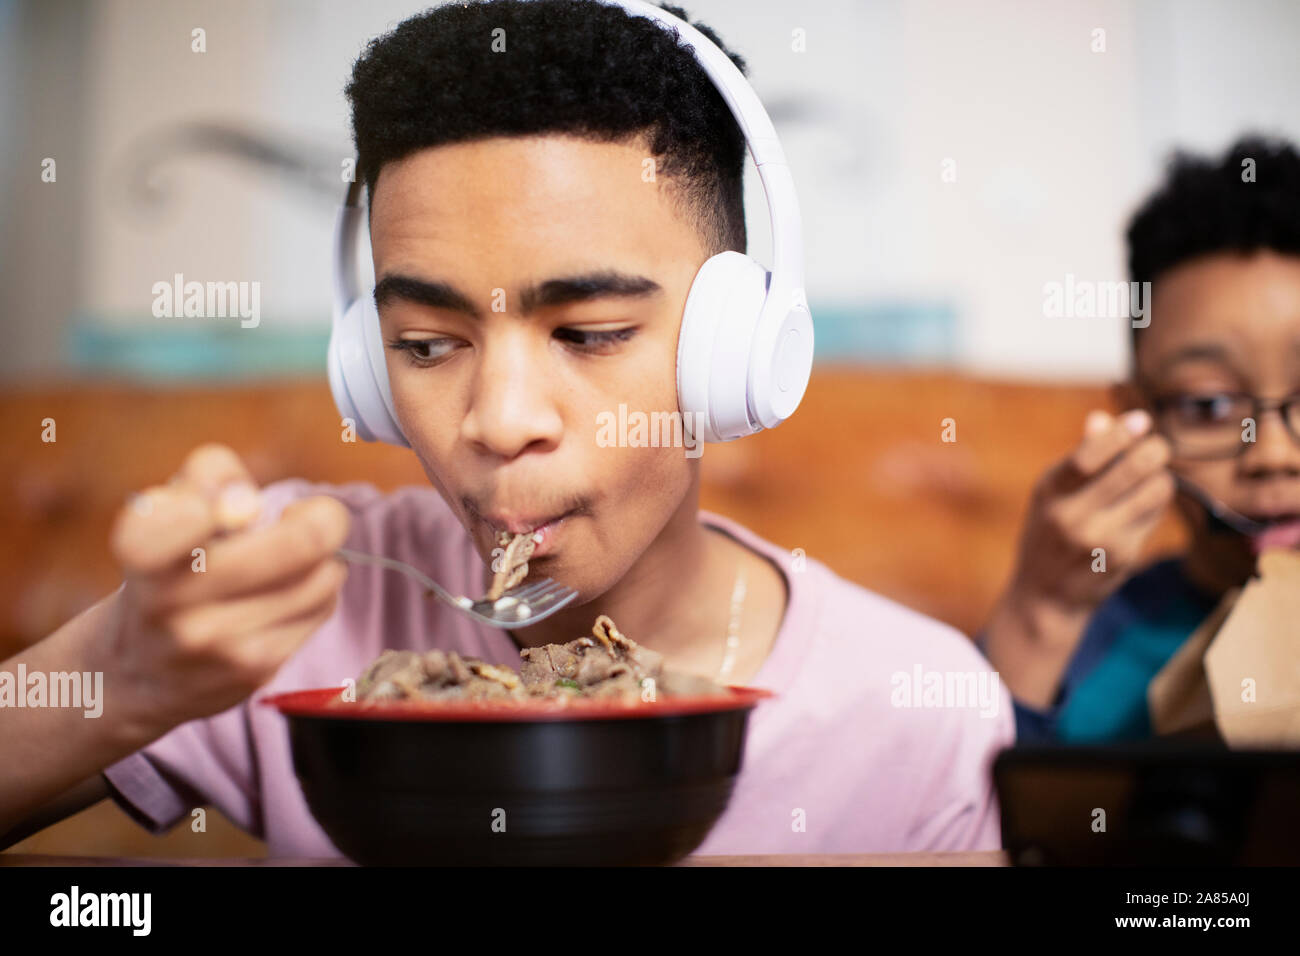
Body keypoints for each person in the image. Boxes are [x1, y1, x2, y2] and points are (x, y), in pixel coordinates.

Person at [0, 0, 1010, 855]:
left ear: (733, 350)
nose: (498, 421)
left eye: (589, 331)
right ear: (366, 365)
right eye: (428, 344)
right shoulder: (282, 597)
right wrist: (123, 670)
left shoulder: (916, 715)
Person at [979, 135, 1300, 743]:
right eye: (1208, 404)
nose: (1274, 456)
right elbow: (966, 811)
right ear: (1137, 420)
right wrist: (1041, 613)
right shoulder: (1092, 648)